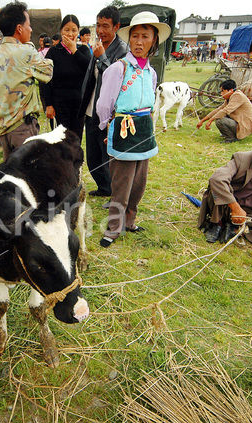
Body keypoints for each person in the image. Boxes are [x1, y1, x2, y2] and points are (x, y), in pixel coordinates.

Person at [96, 11, 170, 248]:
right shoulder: (118, 69)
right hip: (123, 129)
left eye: (145, 37)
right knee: (121, 184)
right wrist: (107, 127)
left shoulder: (151, 72)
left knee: (139, 182)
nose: (139, 42)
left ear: (154, 41)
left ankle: (130, 221)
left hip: (144, 130)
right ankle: (114, 228)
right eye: (135, 36)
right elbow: (104, 103)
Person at [0, 1, 53, 161]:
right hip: (23, 128)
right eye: (28, 25)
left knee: (13, 175)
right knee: (29, 176)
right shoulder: (27, 52)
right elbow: (48, 73)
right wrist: (30, 47)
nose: (31, 29)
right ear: (19, 28)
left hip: (2, 128)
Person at [79, 5, 128, 198]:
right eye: (98, 25)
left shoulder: (123, 51)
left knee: (106, 154)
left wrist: (102, 57)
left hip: (109, 113)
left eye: (106, 26)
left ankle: (112, 189)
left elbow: (115, 78)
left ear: (116, 27)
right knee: (92, 155)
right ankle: (103, 187)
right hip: (92, 109)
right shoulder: (97, 45)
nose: (100, 30)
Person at [41, 15, 91, 138]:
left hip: (78, 105)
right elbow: (45, 80)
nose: (70, 33)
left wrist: (74, 50)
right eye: (66, 30)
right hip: (59, 105)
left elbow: (89, 70)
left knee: (76, 139)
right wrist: (48, 104)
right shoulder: (53, 52)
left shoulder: (83, 50)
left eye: (74, 30)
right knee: (61, 140)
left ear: (78, 32)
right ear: (61, 30)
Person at [196, 79, 252, 143]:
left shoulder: (238, 96)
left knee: (220, 120)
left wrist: (211, 120)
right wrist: (202, 121)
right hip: (239, 122)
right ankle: (228, 134)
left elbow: (225, 111)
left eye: (223, 91)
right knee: (220, 116)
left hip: (244, 125)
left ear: (230, 90)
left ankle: (231, 138)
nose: (221, 94)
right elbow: (218, 109)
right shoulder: (230, 97)